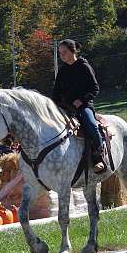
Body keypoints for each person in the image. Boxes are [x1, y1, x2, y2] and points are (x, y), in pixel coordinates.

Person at [52, 39, 105, 173]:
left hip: (83, 106)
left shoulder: (84, 67)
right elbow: (56, 93)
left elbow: (95, 88)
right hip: (65, 107)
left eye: (64, 52)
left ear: (73, 51)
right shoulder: (62, 71)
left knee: (91, 123)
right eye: (60, 53)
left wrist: (81, 100)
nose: (62, 55)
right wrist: (54, 105)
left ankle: (99, 156)